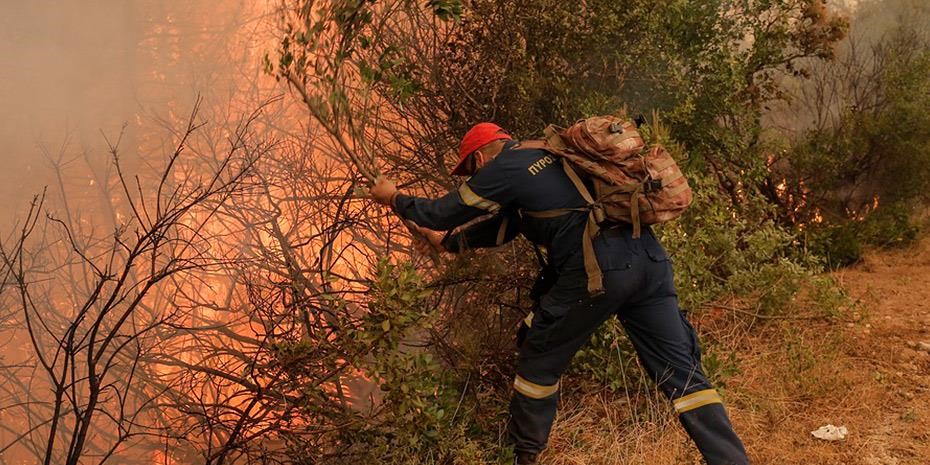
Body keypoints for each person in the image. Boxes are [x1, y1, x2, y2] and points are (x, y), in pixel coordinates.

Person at [369, 122, 750, 465]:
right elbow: (504, 227)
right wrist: (449, 245)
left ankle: (525, 457)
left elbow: (441, 212)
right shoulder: (553, 155)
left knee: (537, 359)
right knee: (683, 376)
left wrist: (394, 199)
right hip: (649, 261)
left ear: (480, 157)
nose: (475, 177)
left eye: (471, 170)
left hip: (601, 270)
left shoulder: (505, 167)